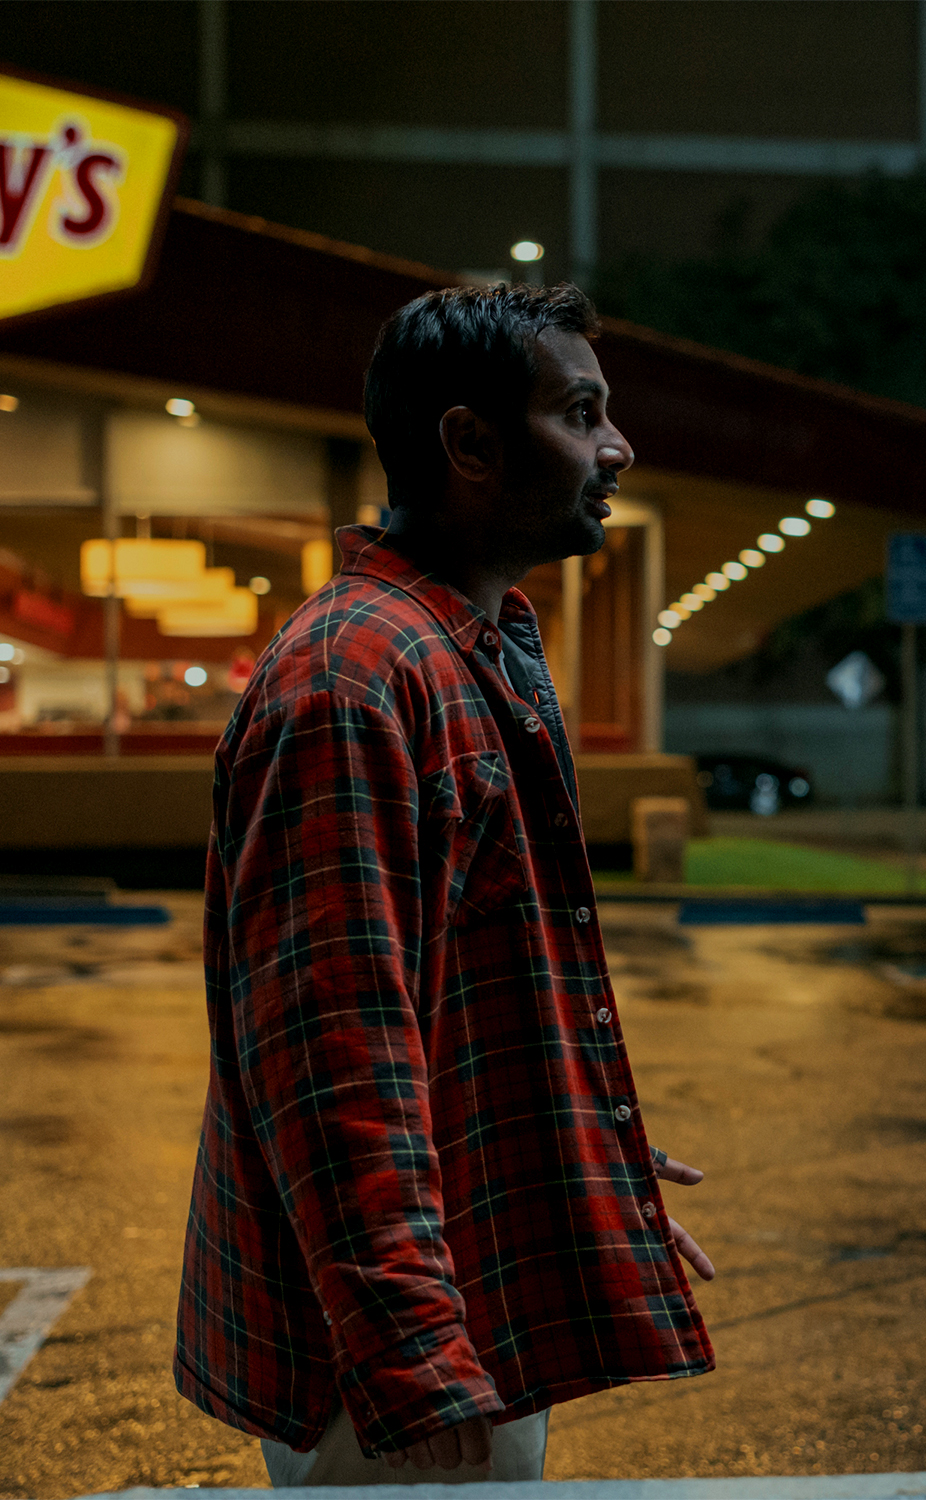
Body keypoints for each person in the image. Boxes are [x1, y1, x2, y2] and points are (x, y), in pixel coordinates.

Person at [176, 283, 717, 1486]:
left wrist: (578, 1160)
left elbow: (456, 999)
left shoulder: (462, 644)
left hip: (453, 1295)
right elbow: (332, 1058)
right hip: (386, 1372)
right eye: (581, 413)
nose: (616, 448)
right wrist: (414, 1355)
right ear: (468, 443)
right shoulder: (354, 680)